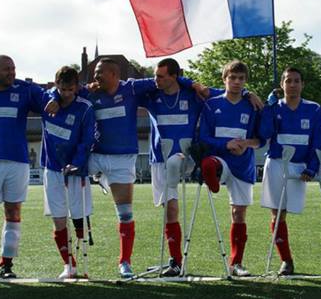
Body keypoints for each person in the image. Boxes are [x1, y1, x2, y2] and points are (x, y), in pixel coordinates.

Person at [85, 57, 206, 278]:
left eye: (99, 72)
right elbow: (67, 92)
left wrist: (194, 84)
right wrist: (56, 96)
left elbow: (219, 93)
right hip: (123, 157)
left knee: (147, 212)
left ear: (114, 74)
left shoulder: (133, 88)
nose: (156, 80)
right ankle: (72, 262)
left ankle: (138, 262)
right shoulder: (96, 92)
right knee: (71, 175)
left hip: (166, 158)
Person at [0, 55, 50, 279]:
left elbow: (48, 97)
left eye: (13, 68)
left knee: (13, 211)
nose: (12, 72)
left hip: (18, 160)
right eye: (6, 69)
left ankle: (5, 264)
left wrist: (52, 99)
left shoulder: (24, 91)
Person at [138, 58, 211, 277]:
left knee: (172, 208)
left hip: (186, 158)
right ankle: (174, 259)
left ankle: (176, 261)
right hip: (160, 158)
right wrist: (187, 81)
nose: (155, 80)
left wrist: (247, 94)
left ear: (174, 76)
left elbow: (223, 93)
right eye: (155, 76)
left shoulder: (192, 95)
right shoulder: (152, 96)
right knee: (168, 209)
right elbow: (132, 89)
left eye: (160, 76)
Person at [199, 60, 264, 277]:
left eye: (241, 78)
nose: (236, 82)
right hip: (221, 160)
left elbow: (259, 140)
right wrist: (225, 145)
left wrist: (245, 144)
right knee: (210, 163)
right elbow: (203, 137)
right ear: (224, 79)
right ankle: (211, 174)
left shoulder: (252, 106)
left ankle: (236, 263)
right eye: (232, 77)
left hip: (243, 165)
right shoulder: (211, 104)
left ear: (245, 81)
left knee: (238, 213)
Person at [259, 67, 321, 275]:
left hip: (300, 166)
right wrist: (268, 109)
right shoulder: (275, 107)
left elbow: (316, 144)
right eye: (288, 81)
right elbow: (265, 134)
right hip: (277, 163)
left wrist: (312, 167)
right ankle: (286, 260)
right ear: (282, 84)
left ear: (302, 84)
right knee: (277, 213)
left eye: (297, 81)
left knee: (291, 210)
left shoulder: (314, 109)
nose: (293, 85)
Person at [40, 66, 95, 279]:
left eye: (70, 89)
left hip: (76, 171)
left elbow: (87, 140)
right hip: (52, 169)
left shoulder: (85, 108)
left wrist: (77, 163)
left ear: (77, 87)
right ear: (56, 86)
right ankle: (68, 264)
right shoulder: (47, 100)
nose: (66, 94)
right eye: (61, 89)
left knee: (79, 216)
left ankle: (83, 259)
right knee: (59, 219)